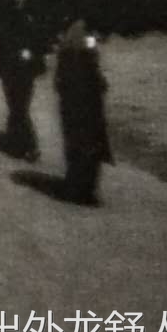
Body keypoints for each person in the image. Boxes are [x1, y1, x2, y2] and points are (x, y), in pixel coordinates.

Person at [0, 0, 53, 161]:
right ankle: (14, 140)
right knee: (13, 102)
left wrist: (32, 51)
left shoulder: (36, 9)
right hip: (9, 64)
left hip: (27, 66)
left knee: (20, 105)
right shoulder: (4, 9)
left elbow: (43, 37)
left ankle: (31, 145)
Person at [54, 20, 113, 205]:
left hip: (83, 110)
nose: (93, 41)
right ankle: (82, 188)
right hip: (82, 110)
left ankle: (82, 187)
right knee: (84, 147)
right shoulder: (75, 57)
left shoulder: (78, 56)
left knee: (84, 147)